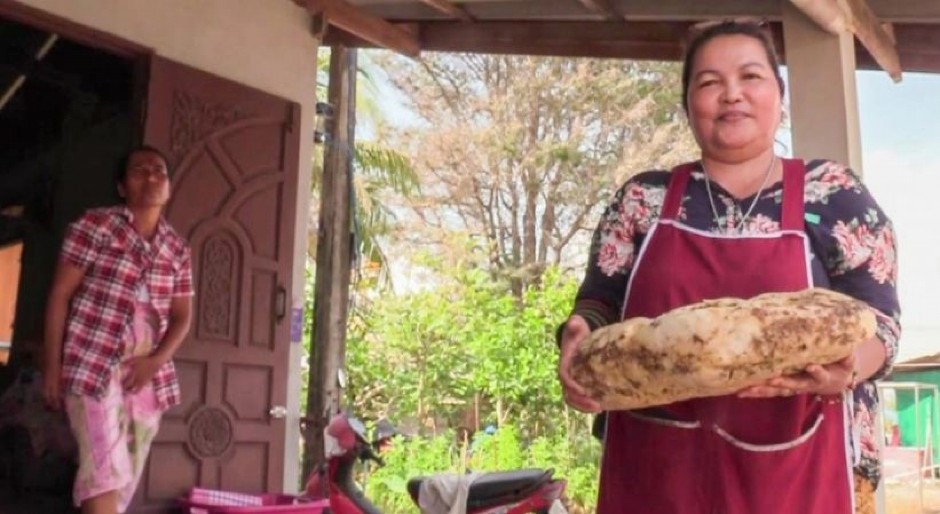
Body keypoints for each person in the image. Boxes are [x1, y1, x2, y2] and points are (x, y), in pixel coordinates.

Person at [557, 20, 900, 514]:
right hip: (657, 475)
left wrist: (848, 368)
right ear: (688, 104)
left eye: (751, 77)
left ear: (778, 96)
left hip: (798, 478)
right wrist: (579, 331)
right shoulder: (641, 199)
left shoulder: (835, 196)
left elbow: (881, 324)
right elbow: (599, 302)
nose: (731, 95)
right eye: (710, 82)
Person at [42, 145, 193, 514]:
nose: (152, 176)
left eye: (159, 170)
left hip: (144, 378)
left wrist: (155, 362)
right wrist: (51, 367)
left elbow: (182, 317)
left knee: (124, 477)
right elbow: (60, 295)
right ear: (122, 186)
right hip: (93, 365)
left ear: (169, 187)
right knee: (103, 469)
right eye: (139, 170)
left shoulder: (177, 249)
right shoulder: (94, 226)